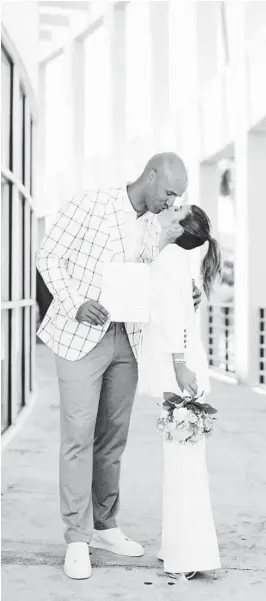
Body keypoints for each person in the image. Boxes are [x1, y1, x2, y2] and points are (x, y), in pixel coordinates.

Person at [37, 152, 201, 580]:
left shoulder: (153, 226)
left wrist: (186, 296)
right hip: (79, 336)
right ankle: (77, 538)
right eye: (168, 193)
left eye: (177, 197)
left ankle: (105, 526)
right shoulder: (90, 203)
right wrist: (76, 303)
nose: (171, 202)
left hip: (127, 339)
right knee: (78, 437)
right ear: (150, 176)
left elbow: (150, 276)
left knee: (112, 440)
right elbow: (48, 257)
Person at [138, 204, 222, 580]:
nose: (170, 208)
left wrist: (177, 363)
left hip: (182, 372)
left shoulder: (172, 258)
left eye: (178, 209)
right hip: (185, 367)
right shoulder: (175, 258)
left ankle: (187, 557)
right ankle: (177, 548)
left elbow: (172, 317)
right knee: (181, 465)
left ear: (179, 228)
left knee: (183, 468)